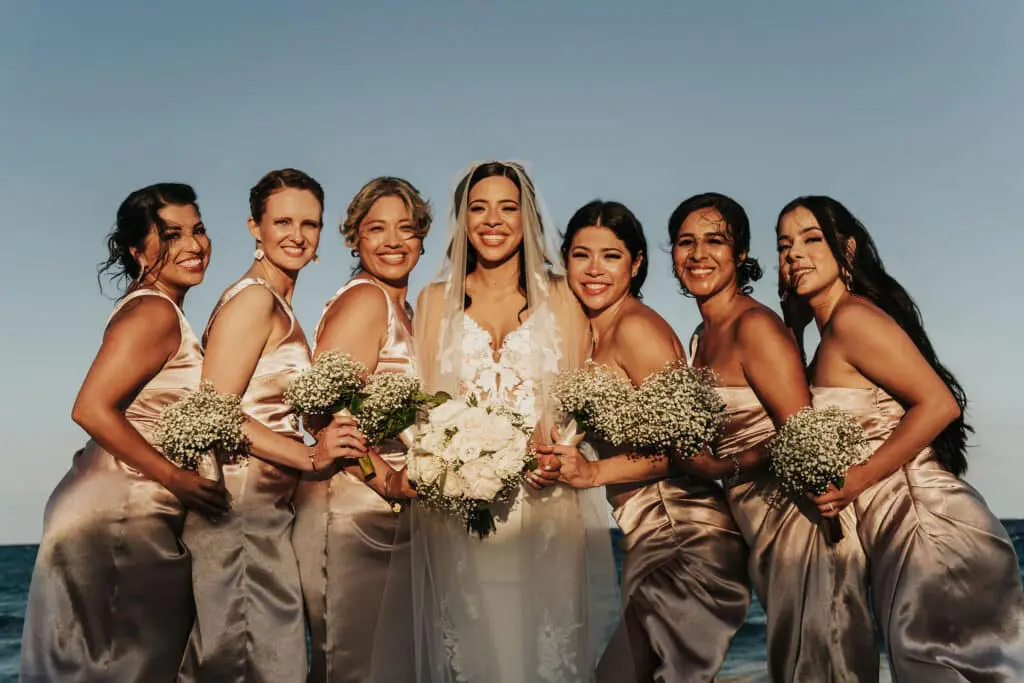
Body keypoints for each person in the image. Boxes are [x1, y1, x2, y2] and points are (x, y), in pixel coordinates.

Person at [778, 194, 1024, 682]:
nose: (794, 255)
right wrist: (793, 325)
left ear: (846, 251)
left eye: (811, 239)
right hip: (896, 533)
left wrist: (854, 481)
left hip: (926, 526)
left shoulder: (853, 319)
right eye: (784, 246)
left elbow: (939, 405)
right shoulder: (830, 332)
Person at [411, 161, 618, 683]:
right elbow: (427, 408)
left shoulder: (565, 297)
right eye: (479, 207)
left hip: (546, 507)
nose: (493, 220)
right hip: (461, 515)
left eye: (508, 208)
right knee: (471, 651)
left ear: (527, 219)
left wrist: (559, 451)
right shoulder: (434, 301)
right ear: (463, 220)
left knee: (546, 655)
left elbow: (578, 400)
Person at [21, 183, 228, 682]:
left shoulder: (158, 308)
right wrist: (175, 478)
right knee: (121, 666)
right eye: (171, 234)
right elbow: (90, 408)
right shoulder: (154, 312)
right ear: (138, 252)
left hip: (124, 507)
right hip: (119, 515)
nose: (193, 245)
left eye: (197, 229)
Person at [537, 200, 750, 682]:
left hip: (687, 534)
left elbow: (689, 453)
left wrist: (592, 473)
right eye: (580, 255)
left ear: (635, 264)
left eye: (611, 257)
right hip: (648, 534)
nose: (594, 270)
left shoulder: (637, 330)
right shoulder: (590, 333)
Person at [673, 193, 877, 682]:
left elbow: (805, 434)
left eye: (714, 241)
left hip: (801, 522)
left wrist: (725, 467)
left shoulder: (754, 326)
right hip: (758, 526)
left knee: (819, 660)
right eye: (686, 242)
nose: (698, 254)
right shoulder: (702, 336)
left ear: (740, 253)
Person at [179, 169, 363, 682]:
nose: (297, 235)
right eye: (282, 221)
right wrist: (310, 455)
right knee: (250, 662)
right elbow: (212, 413)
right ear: (254, 227)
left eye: (310, 223)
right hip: (239, 516)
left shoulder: (279, 301)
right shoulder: (254, 299)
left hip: (267, 517)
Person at [293, 176, 429, 682]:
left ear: (422, 237)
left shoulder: (407, 311)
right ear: (355, 239)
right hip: (352, 512)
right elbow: (323, 415)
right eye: (377, 229)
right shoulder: (366, 301)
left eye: (406, 228)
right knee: (351, 665)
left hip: (391, 514)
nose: (394, 241)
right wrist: (385, 480)